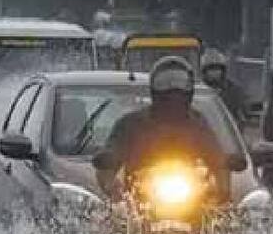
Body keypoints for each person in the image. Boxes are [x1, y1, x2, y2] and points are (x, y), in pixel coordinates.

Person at [94, 56, 226, 200]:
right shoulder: (130, 124)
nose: (173, 91)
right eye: (165, 84)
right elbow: (110, 154)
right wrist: (112, 185)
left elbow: (216, 156)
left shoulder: (199, 124)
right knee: (112, 218)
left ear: (189, 89)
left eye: (180, 84)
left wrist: (222, 188)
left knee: (224, 218)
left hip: (193, 199)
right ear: (154, 89)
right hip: (139, 201)